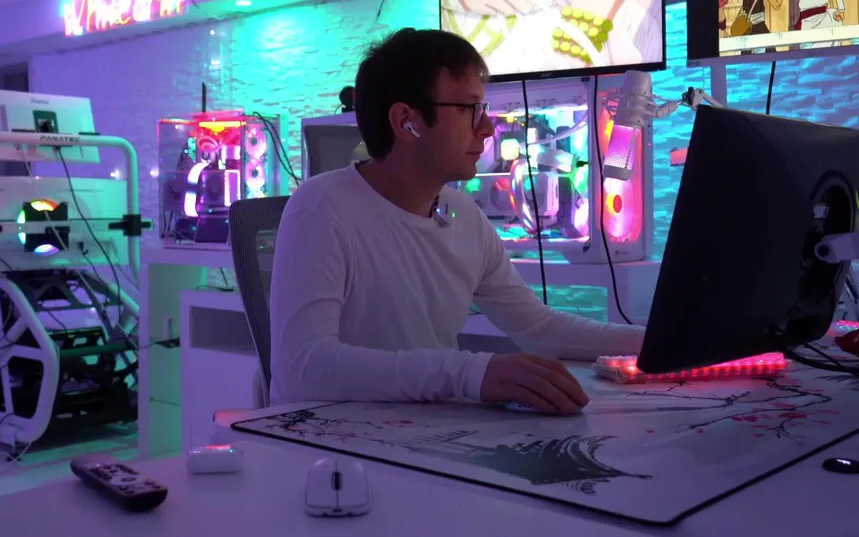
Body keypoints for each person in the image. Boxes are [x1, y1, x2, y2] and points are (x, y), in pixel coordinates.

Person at [269, 28, 645, 414]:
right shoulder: (321, 209)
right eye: (471, 109)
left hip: (426, 433)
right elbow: (304, 368)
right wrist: (472, 374)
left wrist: (660, 341)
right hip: (329, 439)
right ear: (406, 121)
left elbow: (540, 329)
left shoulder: (463, 216)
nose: (488, 128)